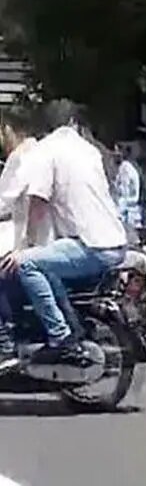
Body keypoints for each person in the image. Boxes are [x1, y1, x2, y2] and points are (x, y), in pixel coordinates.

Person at [0, 99, 128, 367]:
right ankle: (70, 328)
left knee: (27, 264)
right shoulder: (89, 150)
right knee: (45, 266)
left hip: (91, 245)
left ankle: (60, 338)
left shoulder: (46, 151)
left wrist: (23, 248)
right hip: (116, 239)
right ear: (72, 122)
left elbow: (37, 201)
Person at [0, 104, 51, 370]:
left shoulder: (20, 157)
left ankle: (6, 342)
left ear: (8, 129)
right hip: (45, 238)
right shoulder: (42, 151)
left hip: (30, 241)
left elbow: (3, 200)